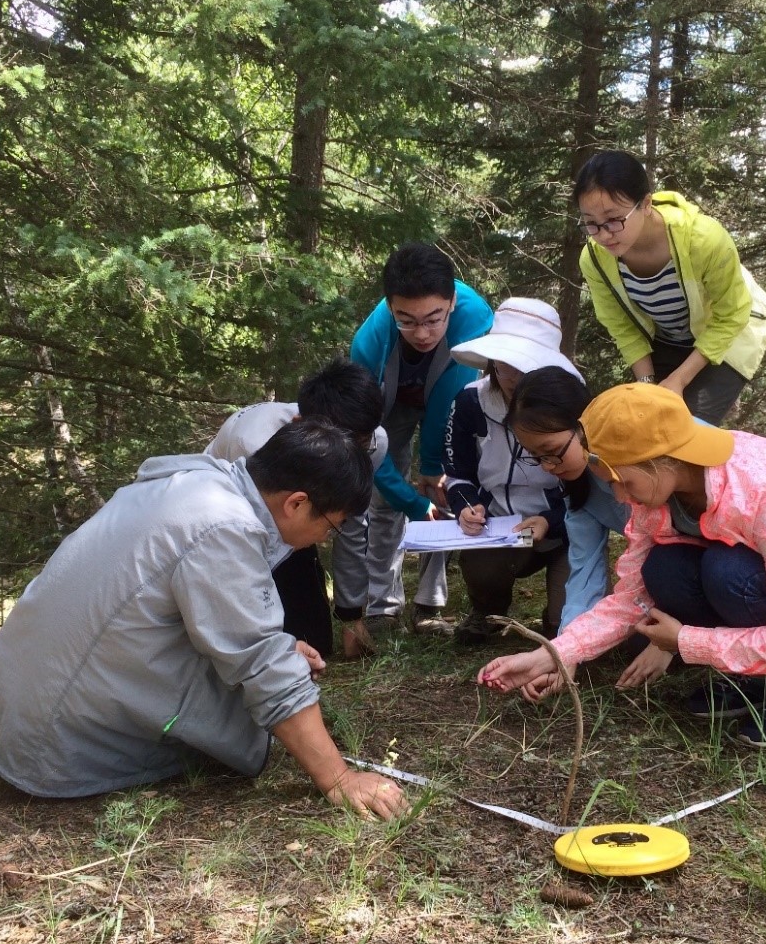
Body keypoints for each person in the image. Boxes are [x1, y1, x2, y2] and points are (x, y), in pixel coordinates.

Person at [0, 419, 409, 818]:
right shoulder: (225, 527)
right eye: (332, 527)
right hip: (57, 746)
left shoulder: (191, 482)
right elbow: (261, 663)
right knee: (239, 716)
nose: (325, 539)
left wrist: (283, 647)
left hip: (21, 709)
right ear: (297, 503)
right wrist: (339, 777)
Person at [480, 384, 766, 748]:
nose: (620, 497)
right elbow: (631, 598)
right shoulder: (658, 497)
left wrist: (687, 642)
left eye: (624, 481)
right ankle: (760, 678)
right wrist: (554, 654)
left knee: (728, 570)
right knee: (664, 568)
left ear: (662, 458)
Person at [334, 243, 494, 647]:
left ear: (452, 302)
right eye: (406, 321)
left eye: (433, 319)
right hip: (389, 410)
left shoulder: (474, 317)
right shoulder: (369, 344)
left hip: (448, 404)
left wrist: (435, 467)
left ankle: (429, 604)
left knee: (447, 494)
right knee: (384, 505)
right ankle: (383, 607)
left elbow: (451, 397)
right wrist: (407, 499)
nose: (422, 333)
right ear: (391, 307)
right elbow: (368, 440)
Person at [205, 358, 387, 660]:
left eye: (359, 445)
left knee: (314, 642)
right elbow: (245, 546)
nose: (347, 459)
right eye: (334, 449)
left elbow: (350, 525)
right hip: (231, 526)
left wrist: (351, 615)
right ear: (300, 426)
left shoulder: (373, 443)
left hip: (297, 520)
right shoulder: (254, 445)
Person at [574, 149, 766, 424]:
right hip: (669, 337)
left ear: (646, 204)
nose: (604, 235)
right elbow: (621, 326)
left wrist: (678, 380)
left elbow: (731, 315)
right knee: (647, 421)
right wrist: (647, 383)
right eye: (591, 224)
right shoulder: (595, 259)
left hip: (734, 329)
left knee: (686, 426)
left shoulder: (704, 240)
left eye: (614, 219)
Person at [503, 366, 673, 687]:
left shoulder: (650, 460)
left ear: (583, 425)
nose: (547, 467)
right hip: (661, 573)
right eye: (536, 457)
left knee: (667, 582)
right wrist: (565, 653)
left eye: (552, 452)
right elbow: (584, 569)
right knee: (636, 639)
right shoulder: (580, 489)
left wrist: (667, 643)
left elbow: (689, 547)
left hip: (704, 567)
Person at [443, 299, 576, 645]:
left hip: (567, 529)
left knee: (564, 630)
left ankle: (557, 616)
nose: (514, 377)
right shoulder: (469, 402)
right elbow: (457, 473)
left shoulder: (571, 402)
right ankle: (487, 612)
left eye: (526, 366)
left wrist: (551, 521)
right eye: (504, 365)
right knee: (483, 569)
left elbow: (587, 487)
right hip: (500, 528)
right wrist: (466, 506)